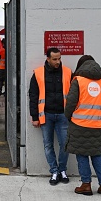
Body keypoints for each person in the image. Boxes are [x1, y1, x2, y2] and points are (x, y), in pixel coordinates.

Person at [64, 55, 101, 197]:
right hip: (97, 125)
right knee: (97, 154)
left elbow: (71, 102)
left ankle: (86, 185)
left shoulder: (78, 81)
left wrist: (68, 117)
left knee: (82, 155)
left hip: (79, 124)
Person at [29, 47, 72, 185]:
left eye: (59, 58)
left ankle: (62, 170)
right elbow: (33, 96)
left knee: (65, 144)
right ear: (48, 59)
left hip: (63, 115)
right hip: (46, 115)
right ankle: (54, 171)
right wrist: (34, 117)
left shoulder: (68, 72)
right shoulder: (38, 73)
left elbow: (74, 95)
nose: (58, 61)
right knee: (48, 145)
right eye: (55, 59)